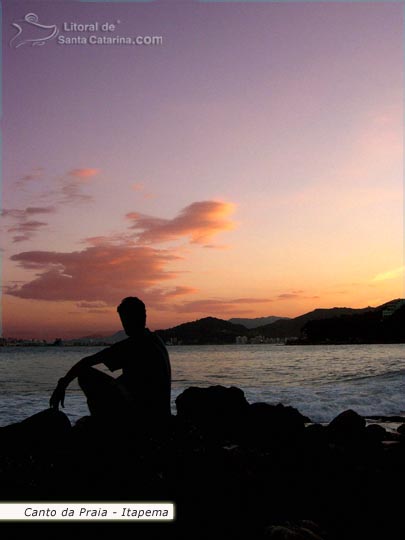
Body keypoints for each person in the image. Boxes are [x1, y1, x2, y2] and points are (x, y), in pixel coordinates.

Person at [49, 297, 171, 432]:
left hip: (142, 416)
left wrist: (63, 384)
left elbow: (86, 362)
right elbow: (137, 379)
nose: (124, 325)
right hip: (160, 414)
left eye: (125, 319)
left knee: (85, 374)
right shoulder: (156, 340)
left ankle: (103, 424)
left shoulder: (134, 344)